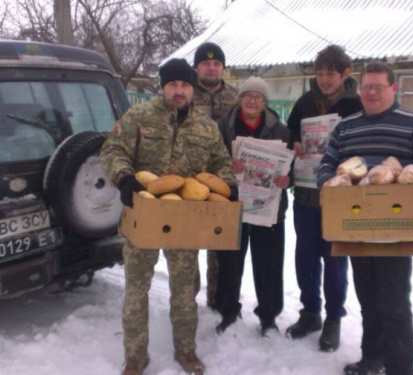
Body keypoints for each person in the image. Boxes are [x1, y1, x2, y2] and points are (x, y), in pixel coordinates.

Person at [100, 58, 237, 375]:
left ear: (192, 89)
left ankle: (186, 352)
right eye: (173, 84)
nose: (179, 91)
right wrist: (124, 178)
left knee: (185, 290)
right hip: (144, 213)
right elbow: (112, 149)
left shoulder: (206, 126)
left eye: (185, 85)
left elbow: (221, 162)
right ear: (163, 87)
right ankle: (135, 357)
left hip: (185, 219)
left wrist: (228, 185)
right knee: (136, 290)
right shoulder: (139, 116)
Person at [317, 61, 413, 375]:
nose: (371, 93)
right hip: (357, 226)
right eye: (366, 87)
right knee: (367, 299)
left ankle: (401, 367)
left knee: (393, 302)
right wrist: (328, 184)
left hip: (396, 228)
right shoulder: (346, 127)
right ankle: (372, 357)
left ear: (394, 88)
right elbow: (328, 162)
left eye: (378, 87)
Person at [286, 45, 363, 352]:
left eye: (330, 72)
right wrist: (293, 141)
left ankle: (333, 318)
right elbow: (291, 129)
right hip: (305, 192)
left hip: (338, 195)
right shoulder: (305, 101)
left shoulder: (355, 104)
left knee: (334, 258)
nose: (324, 78)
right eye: (319, 72)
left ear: (345, 73)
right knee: (305, 256)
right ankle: (310, 312)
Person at [215, 76, 292, 336]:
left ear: (264, 102)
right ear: (240, 99)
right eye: (247, 95)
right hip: (232, 204)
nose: (252, 100)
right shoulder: (223, 127)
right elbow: (211, 161)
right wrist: (228, 164)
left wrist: (286, 178)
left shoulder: (281, 130)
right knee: (229, 261)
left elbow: (292, 167)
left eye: (257, 97)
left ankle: (268, 316)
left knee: (269, 263)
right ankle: (227, 311)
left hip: (268, 207)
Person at [192, 42, 239, 310]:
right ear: (196, 67)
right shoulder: (183, 93)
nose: (212, 68)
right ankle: (187, 300)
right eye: (206, 63)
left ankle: (218, 299)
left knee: (219, 241)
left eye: (217, 64)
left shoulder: (234, 96)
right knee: (187, 241)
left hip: (224, 177)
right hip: (190, 177)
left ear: (222, 68)